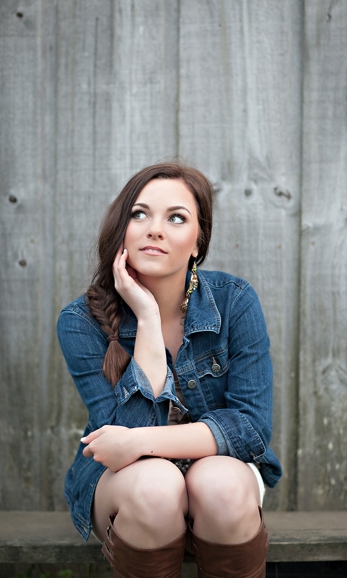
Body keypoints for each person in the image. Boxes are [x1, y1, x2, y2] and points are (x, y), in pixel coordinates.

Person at [57, 163, 281, 578]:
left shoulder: (234, 302)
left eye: (176, 218)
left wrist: (145, 441)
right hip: (123, 479)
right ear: (121, 228)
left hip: (220, 467)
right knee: (157, 486)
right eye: (139, 214)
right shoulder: (80, 322)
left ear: (198, 242)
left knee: (221, 486)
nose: (154, 229)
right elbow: (122, 444)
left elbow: (251, 428)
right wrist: (146, 318)